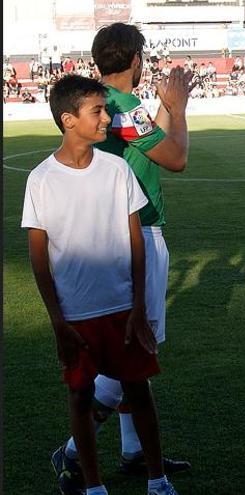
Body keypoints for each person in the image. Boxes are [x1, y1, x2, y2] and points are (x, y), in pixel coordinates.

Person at [51, 23, 193, 495]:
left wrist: (163, 112)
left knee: (134, 350)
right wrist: (177, 108)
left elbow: (147, 145)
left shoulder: (105, 106)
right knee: (138, 350)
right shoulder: (123, 107)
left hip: (111, 232)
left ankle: (133, 450)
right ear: (135, 58)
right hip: (138, 230)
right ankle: (73, 449)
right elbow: (175, 158)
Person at [24, 74, 178, 495]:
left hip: (121, 308)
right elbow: (39, 256)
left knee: (138, 390)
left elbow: (135, 242)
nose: (107, 118)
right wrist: (57, 321)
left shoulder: (116, 169)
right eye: (98, 111)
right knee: (79, 397)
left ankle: (157, 480)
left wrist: (138, 308)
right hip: (75, 314)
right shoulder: (40, 179)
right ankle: (93, 486)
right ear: (68, 119)